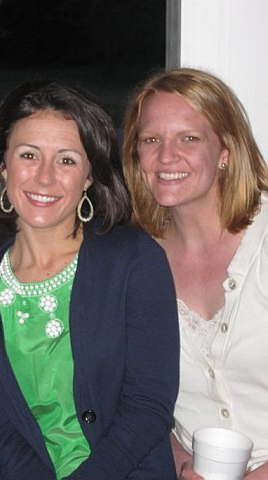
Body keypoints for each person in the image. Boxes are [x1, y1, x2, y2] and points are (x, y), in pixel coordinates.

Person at [0, 79, 180, 479]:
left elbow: (148, 408)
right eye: (28, 155)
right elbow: (4, 435)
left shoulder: (135, 262)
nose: (44, 177)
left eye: (67, 160)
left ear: (89, 176)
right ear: (3, 166)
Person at [123, 67, 268, 479]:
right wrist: (182, 465)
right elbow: (143, 406)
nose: (166, 156)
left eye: (188, 138)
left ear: (226, 151)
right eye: (151, 140)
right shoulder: (133, 265)